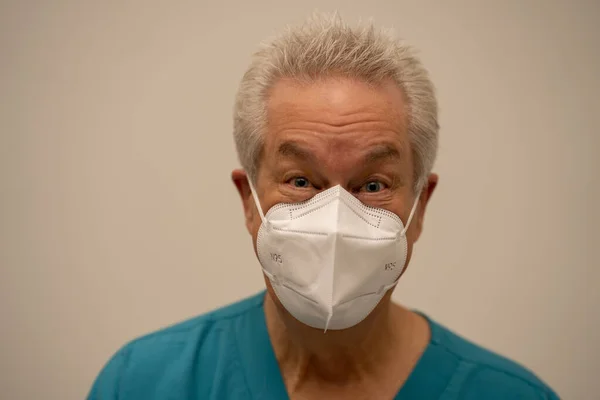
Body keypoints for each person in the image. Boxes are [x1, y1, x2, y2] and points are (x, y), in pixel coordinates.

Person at [88, 13, 559, 400]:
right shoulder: (144, 383)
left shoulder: (508, 394)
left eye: (373, 185)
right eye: (300, 181)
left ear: (421, 206)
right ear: (249, 203)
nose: (335, 217)